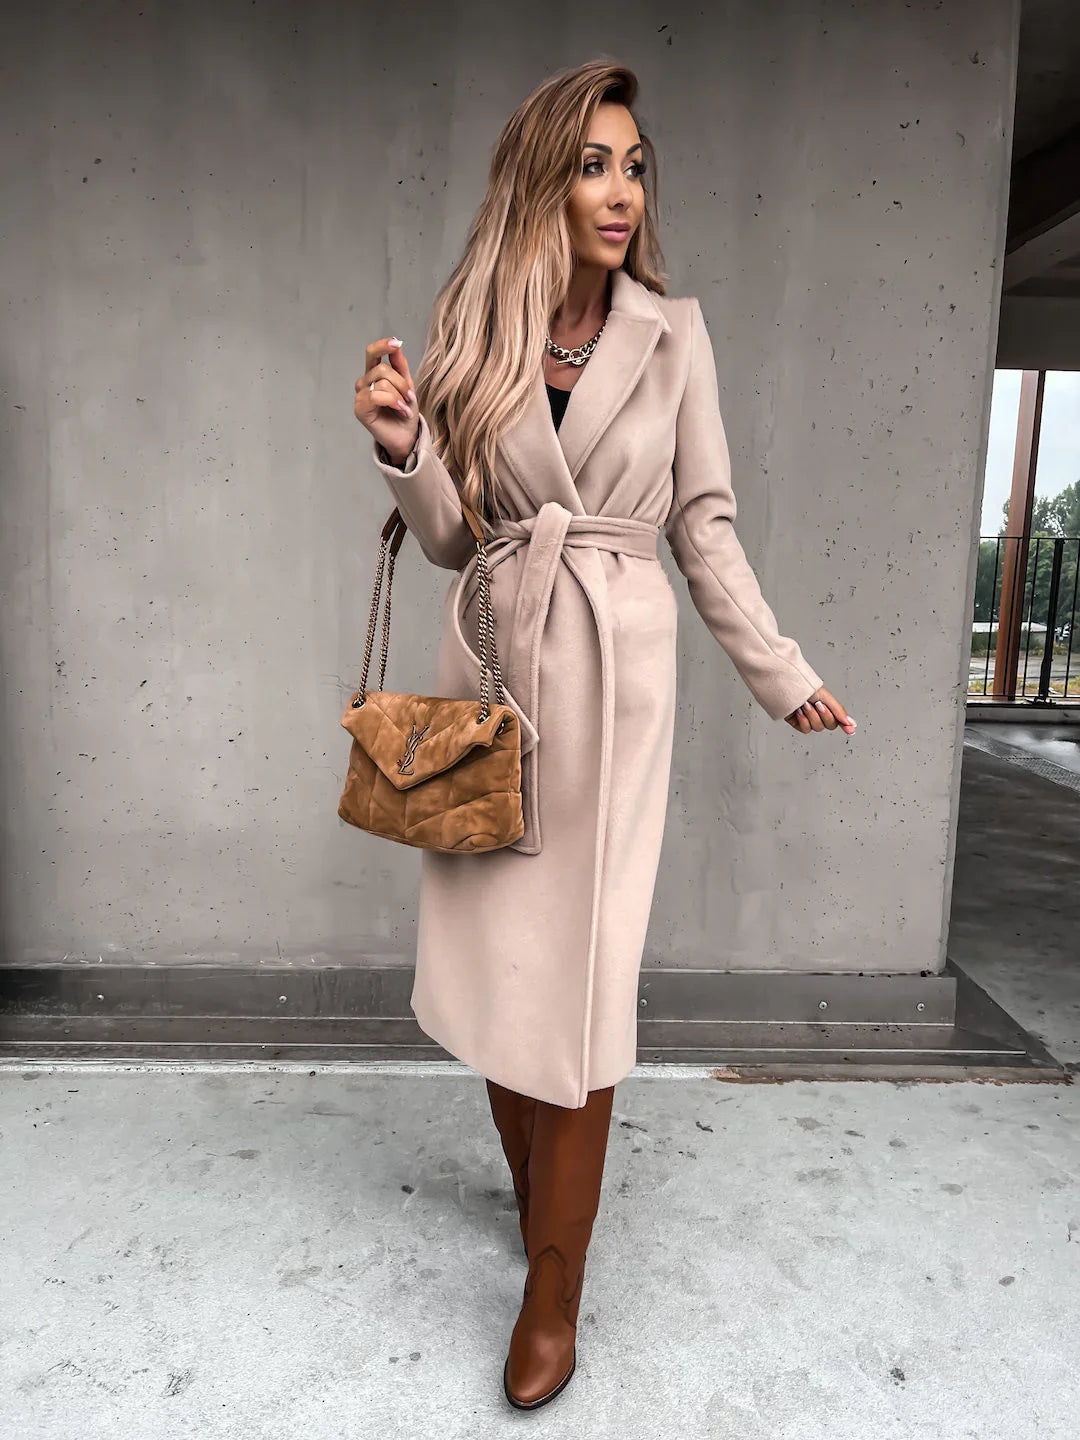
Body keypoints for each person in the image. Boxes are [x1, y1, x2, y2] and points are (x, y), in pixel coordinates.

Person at [352, 60, 855, 1412]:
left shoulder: (677, 335)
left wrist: (780, 669)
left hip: (618, 681)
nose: (621, 191)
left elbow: (703, 527)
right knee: (498, 972)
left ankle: (554, 1284)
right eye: (593, 164)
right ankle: (536, 1206)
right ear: (542, 182)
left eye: (635, 165)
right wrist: (406, 445)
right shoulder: (479, 323)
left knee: (581, 988)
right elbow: (460, 535)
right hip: (499, 663)